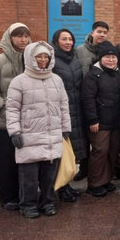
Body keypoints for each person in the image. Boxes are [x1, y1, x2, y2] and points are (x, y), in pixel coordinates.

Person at [6, 41, 71, 218]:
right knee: (29, 176)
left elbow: (64, 105)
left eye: (46, 57)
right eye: (39, 57)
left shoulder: (56, 80)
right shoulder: (19, 81)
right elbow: (12, 109)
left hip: (52, 135)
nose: (43, 60)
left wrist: (65, 127)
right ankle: (28, 205)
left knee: (49, 175)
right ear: (30, 58)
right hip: (29, 136)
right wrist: (14, 131)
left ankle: (48, 202)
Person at [0, 22, 31, 211]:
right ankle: (7, 196)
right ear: (10, 38)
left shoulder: (33, 59)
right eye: (18, 36)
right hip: (5, 121)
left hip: (28, 120)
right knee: (6, 159)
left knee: (26, 159)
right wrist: (4, 107)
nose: (23, 40)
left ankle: (24, 193)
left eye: (25, 36)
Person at [81, 41, 120, 198]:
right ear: (100, 58)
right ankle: (94, 184)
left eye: (114, 57)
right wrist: (93, 120)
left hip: (116, 121)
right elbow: (88, 99)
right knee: (100, 151)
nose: (111, 60)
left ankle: (106, 180)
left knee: (112, 152)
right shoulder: (93, 75)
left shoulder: (119, 73)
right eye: (107, 57)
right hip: (99, 123)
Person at [51, 29, 88, 202]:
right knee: (61, 150)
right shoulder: (53, 60)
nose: (68, 42)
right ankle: (59, 188)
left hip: (76, 109)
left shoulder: (73, 59)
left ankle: (66, 185)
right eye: (64, 39)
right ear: (56, 41)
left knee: (70, 151)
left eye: (70, 39)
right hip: (60, 110)